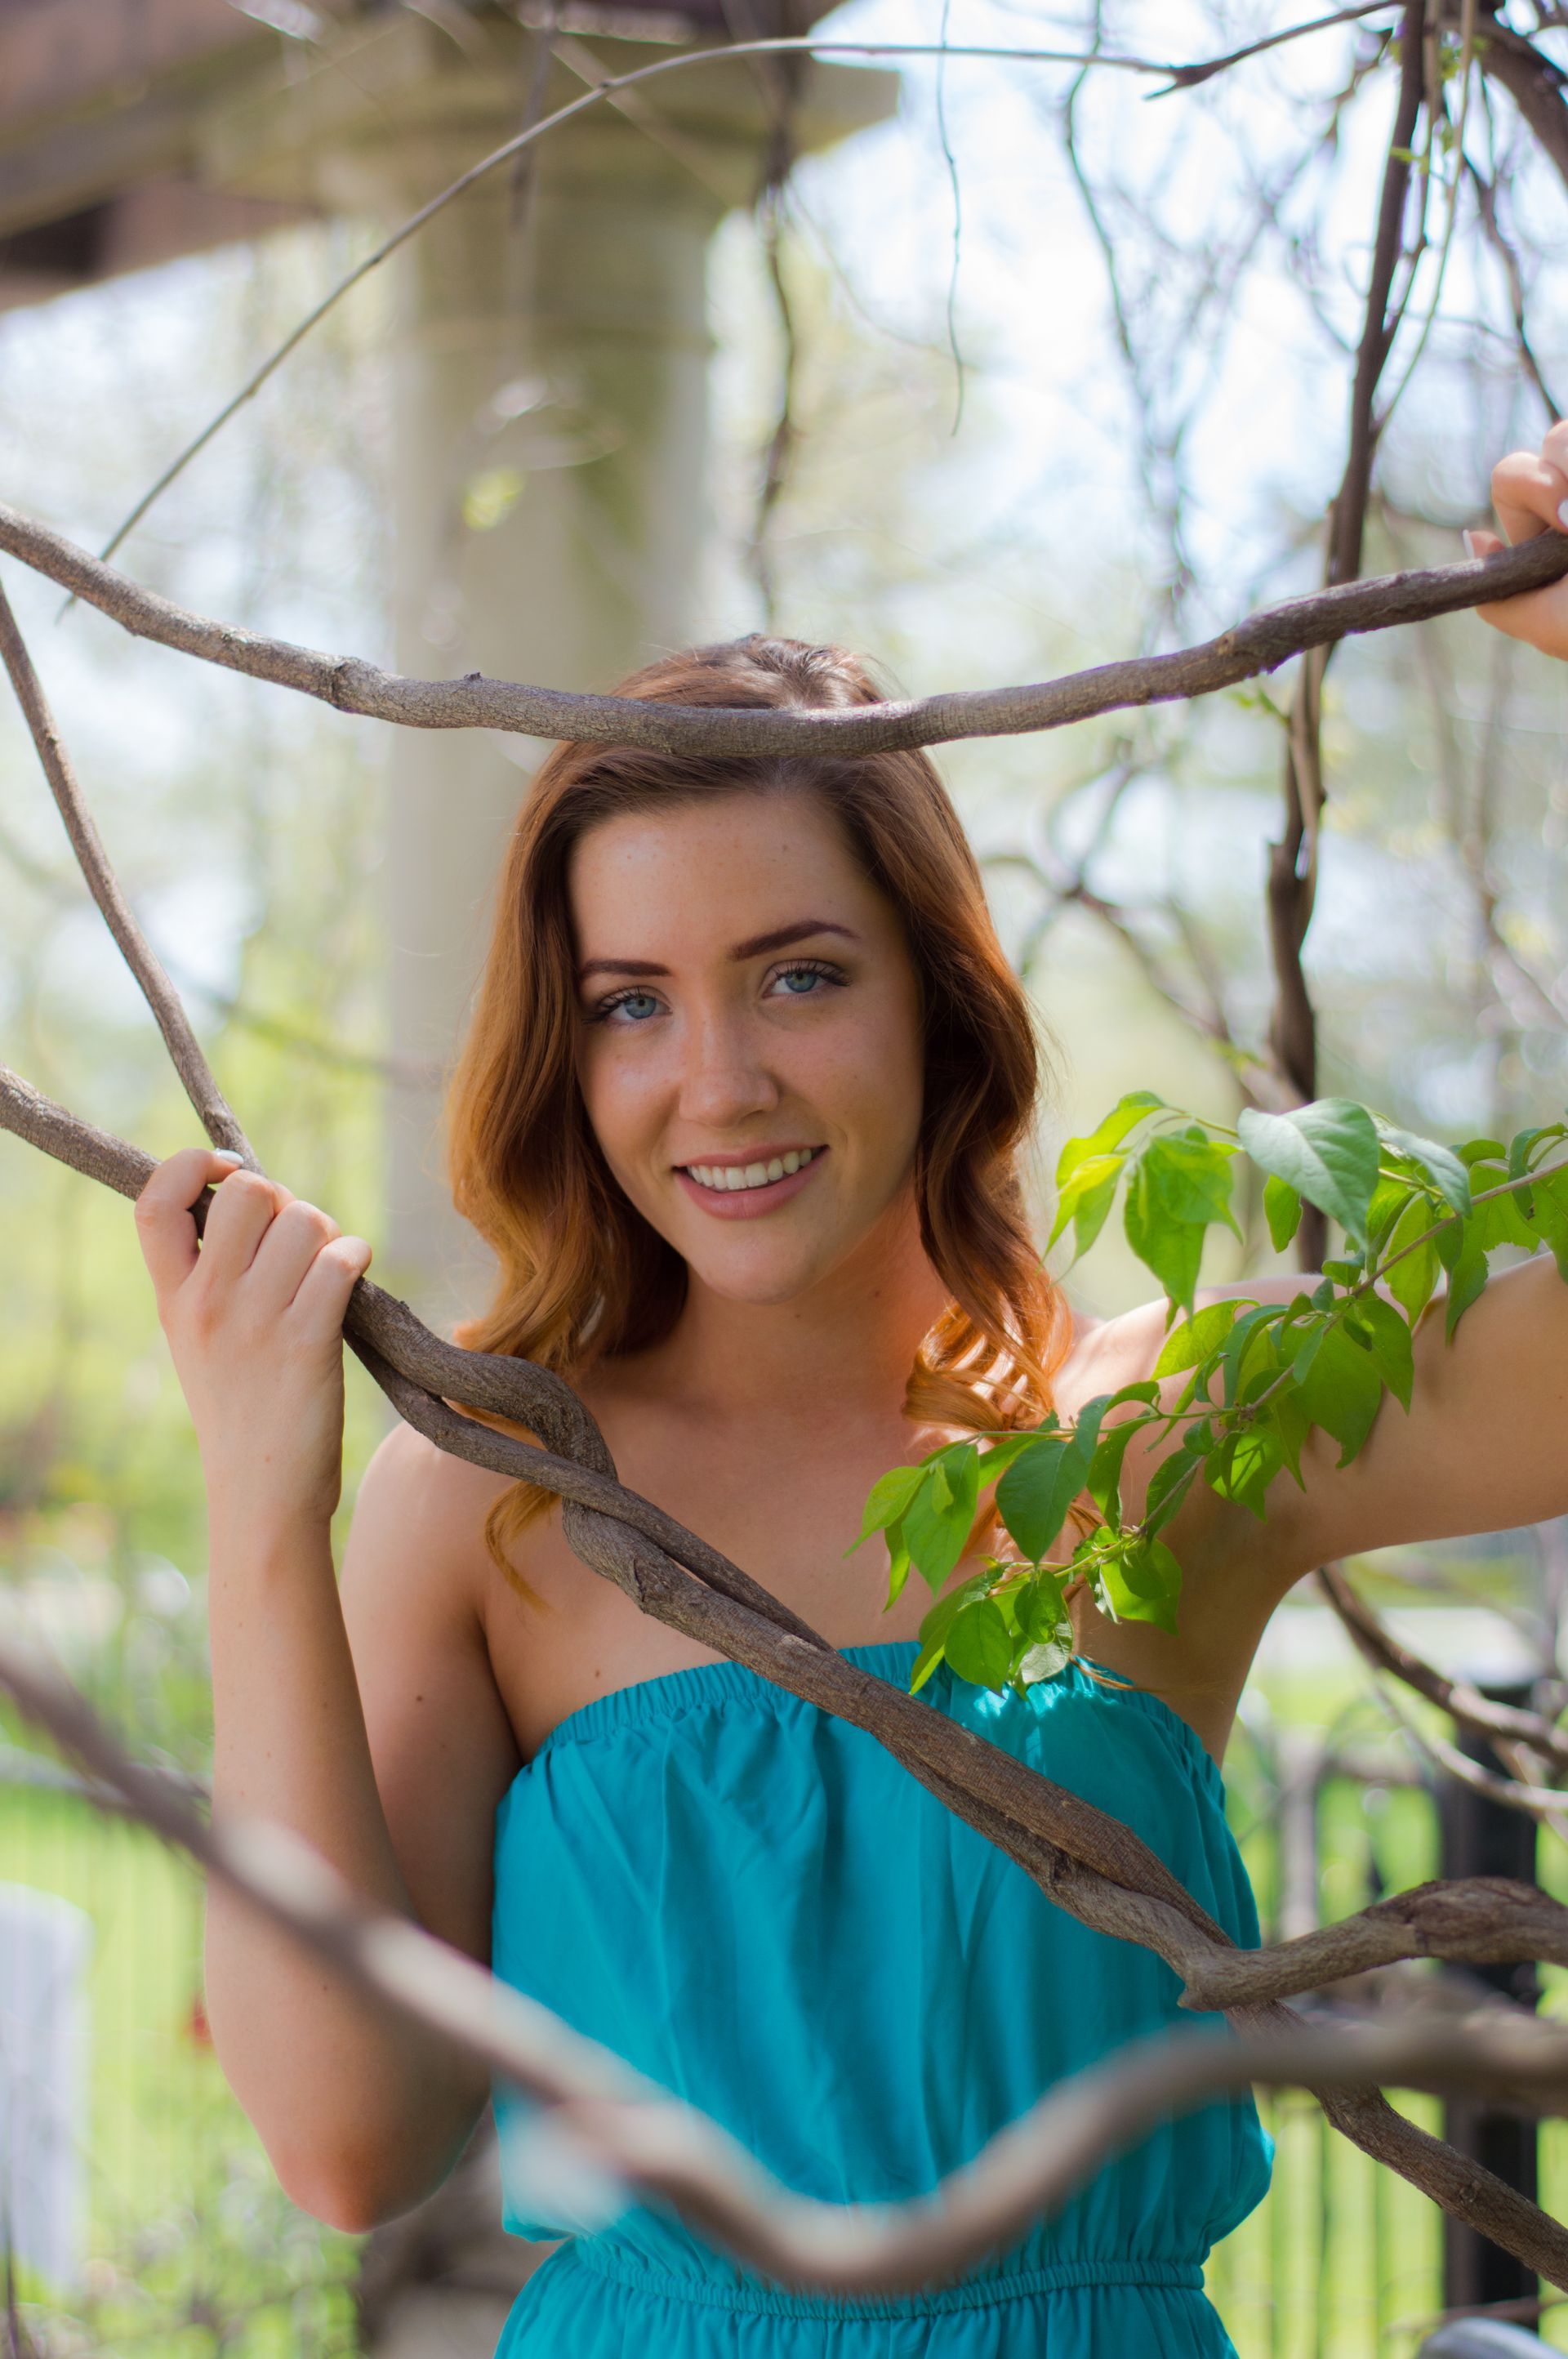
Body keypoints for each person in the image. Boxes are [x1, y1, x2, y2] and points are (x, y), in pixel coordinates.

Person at [132, 428, 1568, 2358]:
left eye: (798, 977)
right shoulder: (491, 1499)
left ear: (940, 1001)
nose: (711, 1081)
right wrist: (255, 1505)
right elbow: (348, 2145)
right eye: (632, 999)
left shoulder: (1161, 1442)